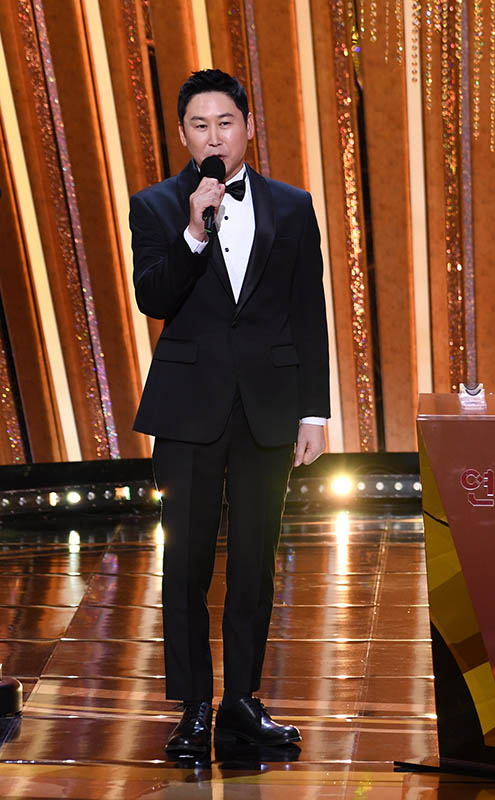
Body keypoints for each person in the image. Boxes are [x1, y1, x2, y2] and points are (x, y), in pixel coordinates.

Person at [130, 69, 330, 759]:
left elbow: (309, 312)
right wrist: (193, 231)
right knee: (184, 562)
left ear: (248, 126)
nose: (214, 136)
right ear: (183, 134)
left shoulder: (293, 206)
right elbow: (153, 298)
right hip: (188, 409)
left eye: (225, 123)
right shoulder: (156, 206)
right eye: (199, 125)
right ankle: (193, 709)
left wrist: (314, 411)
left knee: (254, 561)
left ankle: (242, 702)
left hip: (268, 408)